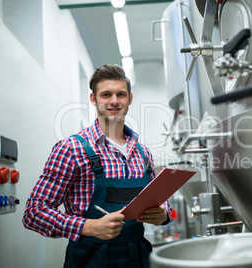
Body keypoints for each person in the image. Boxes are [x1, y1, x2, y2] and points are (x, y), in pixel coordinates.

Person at [23, 64, 170, 268]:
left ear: (130, 99)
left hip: (140, 258)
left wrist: (163, 213)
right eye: (106, 95)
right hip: (91, 259)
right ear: (93, 99)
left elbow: (157, 198)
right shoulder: (71, 148)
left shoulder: (143, 152)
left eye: (121, 94)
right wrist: (88, 226)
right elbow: (34, 212)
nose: (114, 101)